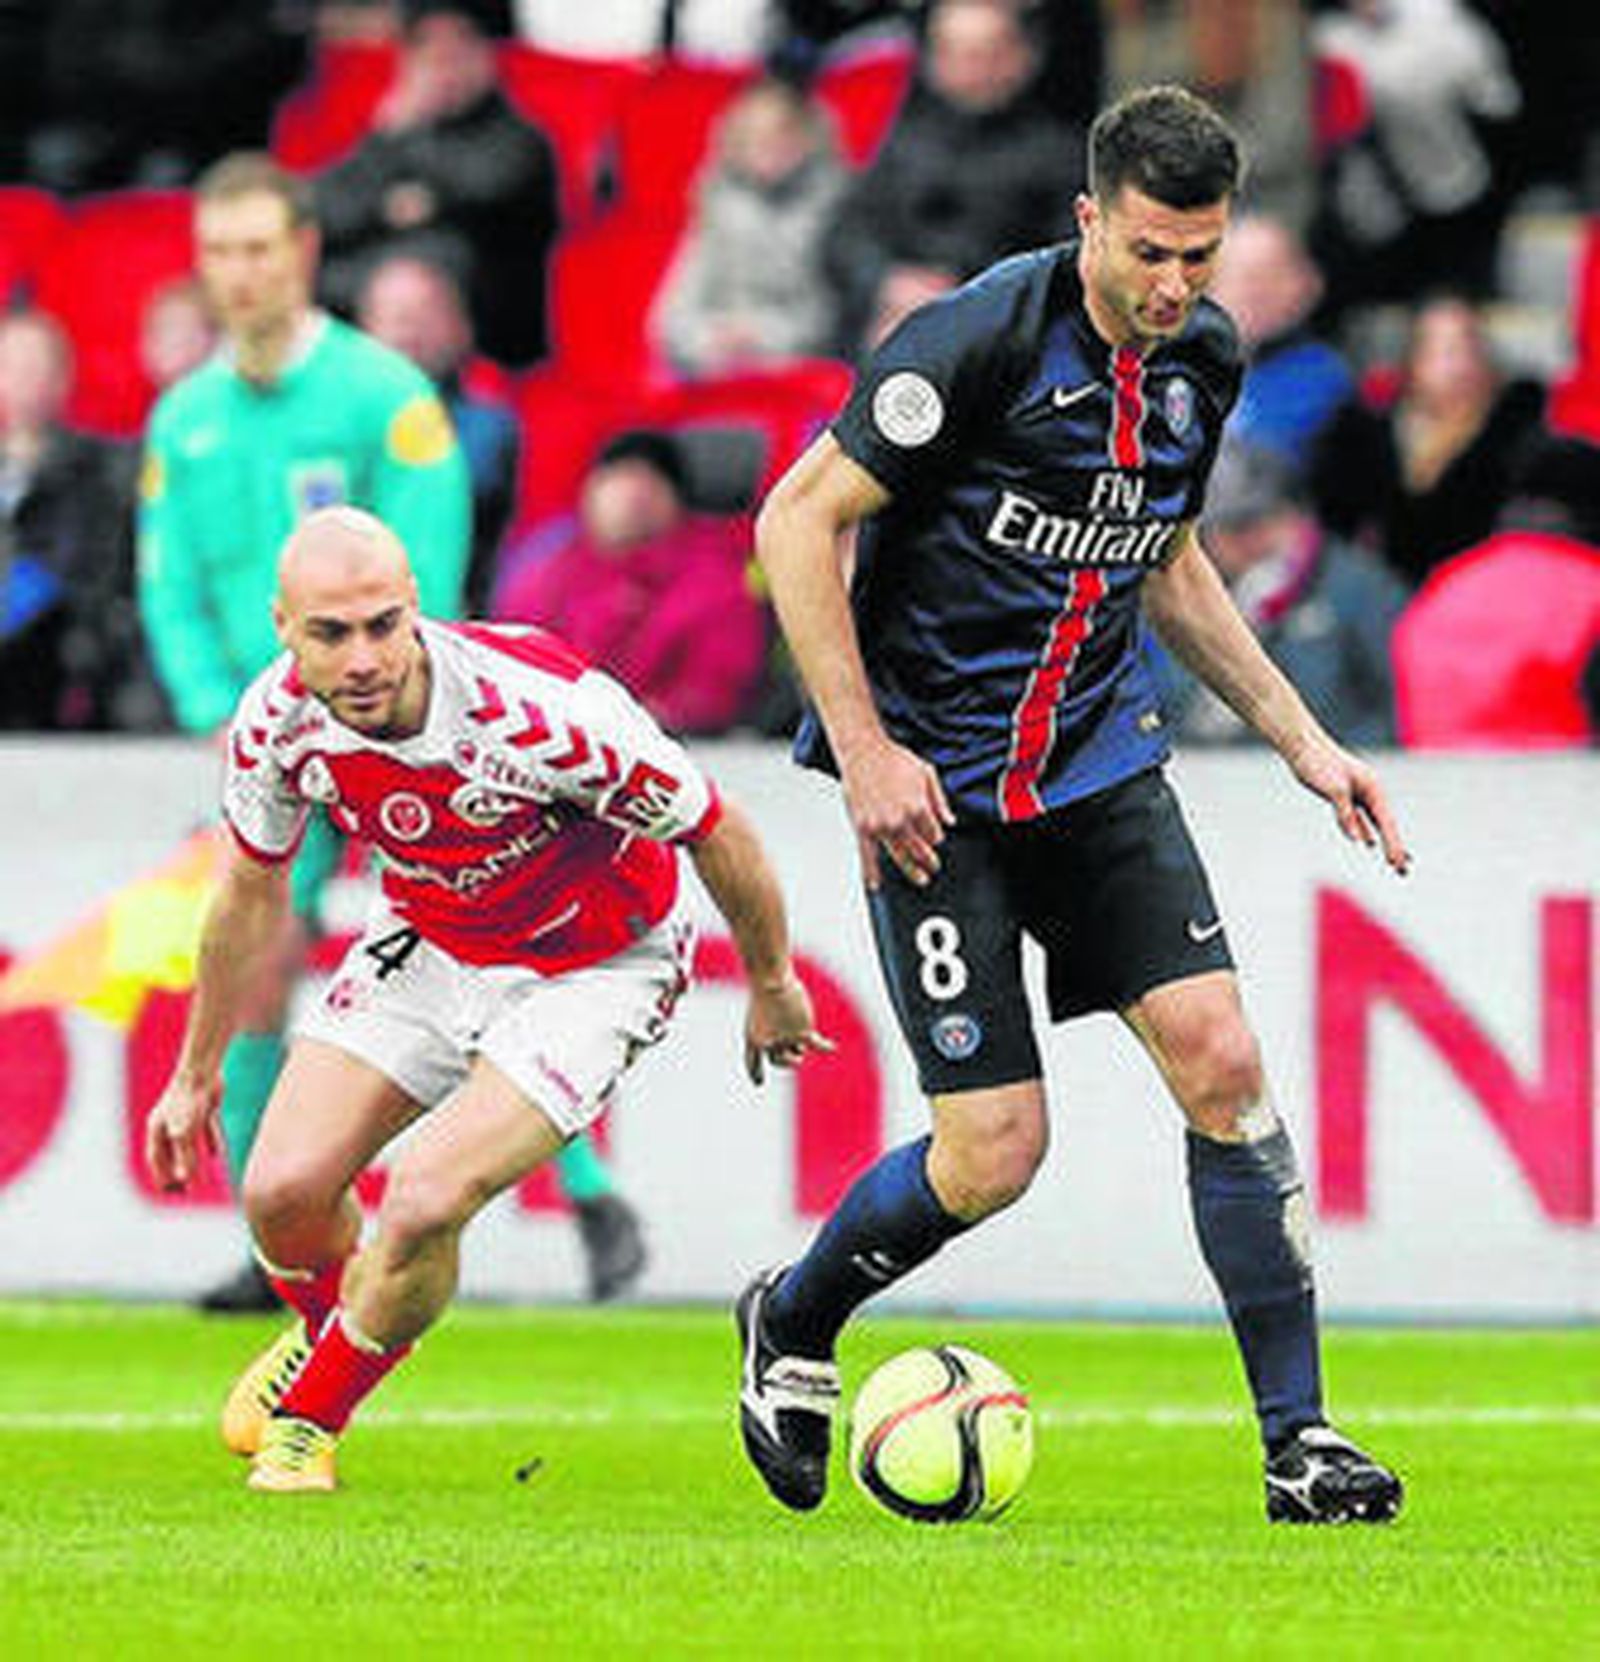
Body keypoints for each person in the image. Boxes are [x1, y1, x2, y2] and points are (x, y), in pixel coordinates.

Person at [740, 83, 1410, 1525]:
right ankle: (792, 1320)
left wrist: (1302, 736)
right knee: (994, 1152)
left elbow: (1162, 552)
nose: (1174, 287)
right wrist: (863, 750)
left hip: (1101, 763)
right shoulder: (974, 340)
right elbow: (796, 519)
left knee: (1223, 1060)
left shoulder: (1203, 360)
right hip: (938, 792)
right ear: (1090, 218)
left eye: (1201, 256)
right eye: (1151, 252)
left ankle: (1301, 1442)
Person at [142, 504, 828, 1493]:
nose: (366, 657)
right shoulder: (275, 725)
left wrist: (770, 981)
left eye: (384, 624)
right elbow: (247, 894)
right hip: (433, 934)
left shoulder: (541, 710)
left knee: (424, 1197)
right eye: (331, 634)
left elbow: (716, 828)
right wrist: (195, 1073)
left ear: (417, 609)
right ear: (283, 627)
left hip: (597, 963)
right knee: (280, 1196)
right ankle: (342, 1338)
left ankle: (310, 1425)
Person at [138, 151, 641, 1313]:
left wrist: (396, 705)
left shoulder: (383, 399)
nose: (242, 274)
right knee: (255, 966)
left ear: (305, 252)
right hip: (269, 741)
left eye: (261, 247)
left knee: (481, 957)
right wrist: (220, 708)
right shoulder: (185, 418)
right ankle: (279, 1242)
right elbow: (165, 580)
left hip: (400, 734)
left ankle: (595, 1195)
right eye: (221, 252)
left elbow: (426, 580)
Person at [821, 0, 1085, 359]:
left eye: (984, 54)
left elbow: (1067, 269)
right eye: (952, 53)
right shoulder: (902, 141)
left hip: (999, 349)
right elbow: (843, 237)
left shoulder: (1059, 157)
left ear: (1022, 57)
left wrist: (959, 295)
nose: (968, 70)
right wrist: (886, 284)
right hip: (887, 329)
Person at [315, 0, 561, 369]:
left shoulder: (518, 139)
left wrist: (404, 193)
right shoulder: (395, 136)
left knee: (403, 288)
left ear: (487, 56)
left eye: (458, 49)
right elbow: (323, 209)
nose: (444, 67)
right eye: (427, 51)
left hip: (489, 324)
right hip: (376, 298)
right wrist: (391, 136)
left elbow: (484, 188)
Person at [495, 429, 769, 737]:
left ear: (676, 502)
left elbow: (711, 693)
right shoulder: (547, 568)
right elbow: (506, 667)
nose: (634, 495)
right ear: (589, 489)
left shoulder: (715, 583)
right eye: (621, 477)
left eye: (651, 482)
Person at [1154, 437, 1407, 750]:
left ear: (1296, 515)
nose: (1247, 542)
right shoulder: (1179, 591)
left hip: (1326, 776)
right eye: (1228, 528)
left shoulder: (1361, 589)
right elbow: (1165, 708)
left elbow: (1397, 710)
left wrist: (1343, 760)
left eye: (1258, 522)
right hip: (1212, 776)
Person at [1317, 292, 1547, 589]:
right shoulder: (1369, 431)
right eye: (1441, 351)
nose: (1459, 365)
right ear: (1412, 360)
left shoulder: (1514, 433)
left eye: (1469, 348)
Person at [651, 77, 849, 381]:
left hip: (799, 373)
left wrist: (758, 336)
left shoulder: (837, 206)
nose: (768, 149)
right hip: (717, 368)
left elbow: (833, 312)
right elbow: (672, 315)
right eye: (753, 137)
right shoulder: (716, 205)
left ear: (809, 138)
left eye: (781, 136)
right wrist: (709, 339)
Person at [357, 251, 519, 616]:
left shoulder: (493, 428)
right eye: (392, 314)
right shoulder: (337, 433)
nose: (408, 327)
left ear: (462, 328)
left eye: (425, 312)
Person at [0, 309, 135, 732]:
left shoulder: (98, 471)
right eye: (12, 366)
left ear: (63, 378)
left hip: (60, 682)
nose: (25, 381)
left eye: (36, 367)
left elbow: (82, 576)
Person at [1202, 212, 1356, 476]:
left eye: (1271, 275)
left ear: (1305, 285)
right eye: (1239, 276)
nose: (1253, 292)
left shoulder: (1325, 379)